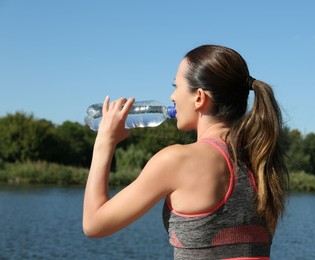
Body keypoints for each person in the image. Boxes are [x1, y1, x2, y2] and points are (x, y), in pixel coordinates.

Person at [83, 44, 289, 259]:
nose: (172, 97)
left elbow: (94, 224)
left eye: (176, 86)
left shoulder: (176, 160)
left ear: (199, 97)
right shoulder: (262, 159)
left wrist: (104, 142)